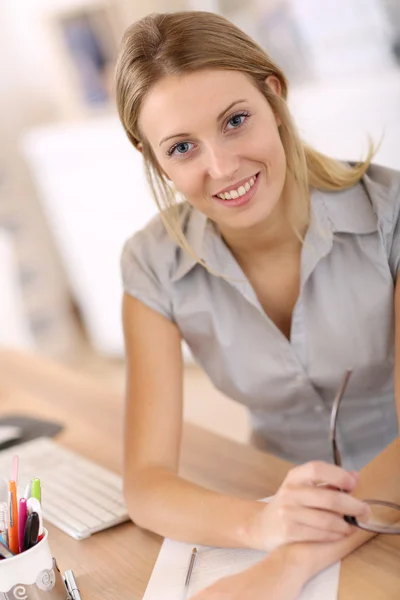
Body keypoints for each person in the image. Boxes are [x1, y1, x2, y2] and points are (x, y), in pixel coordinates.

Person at [115, 11, 400, 599]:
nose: (221, 167)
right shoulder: (151, 264)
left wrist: (283, 566)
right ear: (153, 159)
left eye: (235, 121)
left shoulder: (391, 216)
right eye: (182, 147)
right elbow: (145, 483)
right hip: (271, 488)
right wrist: (262, 523)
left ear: (274, 95)